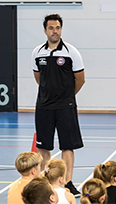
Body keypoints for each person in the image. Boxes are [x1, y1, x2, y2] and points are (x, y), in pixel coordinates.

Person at [31, 13, 85, 197]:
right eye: (51, 28)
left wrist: (66, 97)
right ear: (45, 30)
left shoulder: (71, 52)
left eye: (58, 28)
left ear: (61, 29)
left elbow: (80, 79)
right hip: (44, 107)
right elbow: (39, 78)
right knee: (43, 148)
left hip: (66, 107)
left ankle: (68, 182)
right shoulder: (37, 52)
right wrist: (50, 95)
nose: (55, 31)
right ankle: (46, 183)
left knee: (67, 147)